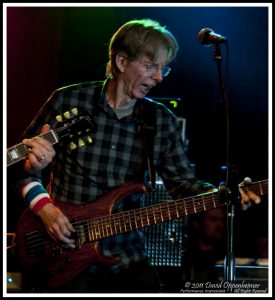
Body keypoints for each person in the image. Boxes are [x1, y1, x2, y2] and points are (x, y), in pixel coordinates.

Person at [11, 18, 262, 293]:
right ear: (121, 62)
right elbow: (20, 165)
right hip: (61, 250)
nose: (159, 77)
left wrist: (224, 194)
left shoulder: (161, 121)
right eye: (150, 66)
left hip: (127, 257)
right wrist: (44, 208)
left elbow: (183, 185)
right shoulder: (68, 102)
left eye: (163, 68)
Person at [182, 207, 227, 283]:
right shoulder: (186, 257)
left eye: (222, 220)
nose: (220, 225)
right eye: (213, 219)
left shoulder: (226, 256)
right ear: (197, 223)